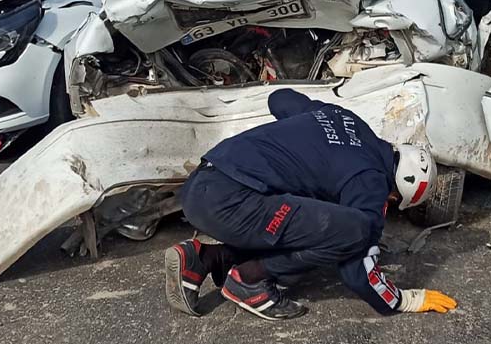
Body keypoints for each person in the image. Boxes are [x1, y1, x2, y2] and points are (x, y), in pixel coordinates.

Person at [163, 88, 457, 321]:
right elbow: (357, 265)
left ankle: (204, 259)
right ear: (398, 190)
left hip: (202, 184)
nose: (387, 204)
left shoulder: (345, 119)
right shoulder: (371, 182)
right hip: (230, 203)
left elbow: (280, 99)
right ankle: (249, 281)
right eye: (392, 201)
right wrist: (405, 300)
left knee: (307, 218)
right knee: (353, 230)